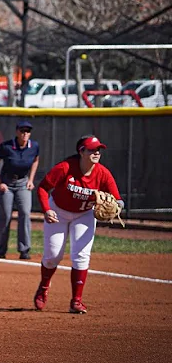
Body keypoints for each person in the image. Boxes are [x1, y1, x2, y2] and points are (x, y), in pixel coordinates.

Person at [33, 135, 123, 314]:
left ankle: (76, 301)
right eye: (92, 150)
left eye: (98, 150)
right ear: (81, 152)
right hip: (58, 211)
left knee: (81, 255)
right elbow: (43, 187)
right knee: (53, 256)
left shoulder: (103, 173)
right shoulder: (65, 168)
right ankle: (44, 286)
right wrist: (46, 209)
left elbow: (118, 199)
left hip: (84, 215)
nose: (96, 153)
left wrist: (117, 205)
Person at [0, 120, 39, 260]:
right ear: (17, 132)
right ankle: (0, 251)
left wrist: (31, 180)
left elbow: (36, 160)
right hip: (7, 182)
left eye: (28, 131)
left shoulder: (34, 146)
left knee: (25, 213)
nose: (25, 134)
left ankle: (24, 250)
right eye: (22, 131)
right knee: (5, 215)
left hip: (23, 182)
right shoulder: (7, 146)